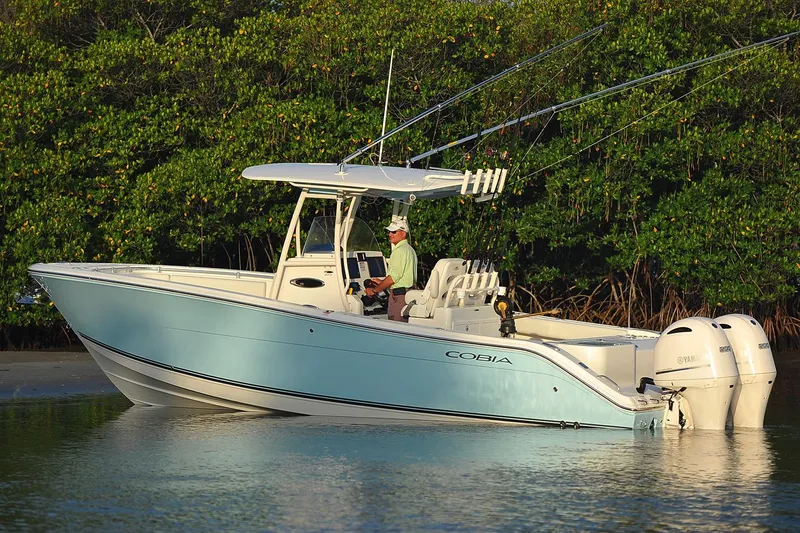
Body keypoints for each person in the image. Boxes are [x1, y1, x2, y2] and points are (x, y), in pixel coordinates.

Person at [364, 218, 417, 322]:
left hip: (399, 297)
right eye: (389, 232)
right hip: (407, 294)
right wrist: (381, 282)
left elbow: (392, 279)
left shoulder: (399, 251)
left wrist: (374, 290)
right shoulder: (409, 249)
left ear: (403, 234)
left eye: (394, 232)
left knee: (397, 328)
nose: (390, 234)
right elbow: (401, 277)